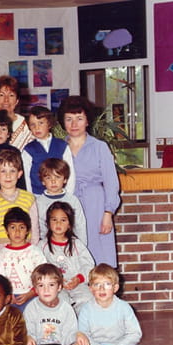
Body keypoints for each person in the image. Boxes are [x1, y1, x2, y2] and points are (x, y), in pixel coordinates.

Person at [58, 96, 120, 266]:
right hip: (68, 205)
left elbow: (111, 183)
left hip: (95, 205)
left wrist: (108, 213)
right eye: (69, 119)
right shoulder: (58, 147)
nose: (74, 124)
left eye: (79, 118)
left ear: (87, 121)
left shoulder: (99, 147)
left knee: (99, 255)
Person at [78, 264, 152, 345]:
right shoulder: (85, 309)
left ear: (115, 288)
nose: (102, 289)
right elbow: (84, 335)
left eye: (107, 284)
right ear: (91, 288)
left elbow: (135, 333)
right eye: (97, 284)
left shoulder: (124, 307)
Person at [23, 264, 90, 345]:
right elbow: (28, 331)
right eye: (41, 285)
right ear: (36, 289)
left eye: (51, 285)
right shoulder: (31, 308)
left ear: (59, 287)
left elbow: (70, 335)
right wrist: (28, 337)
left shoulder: (66, 308)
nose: (46, 290)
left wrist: (78, 335)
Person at [42, 202, 95, 313]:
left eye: (63, 220)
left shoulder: (77, 244)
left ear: (69, 224)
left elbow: (89, 265)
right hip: (54, 286)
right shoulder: (42, 246)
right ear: (48, 223)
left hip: (77, 284)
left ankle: (83, 323)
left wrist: (79, 279)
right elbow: (39, 268)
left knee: (88, 298)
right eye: (54, 220)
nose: (58, 223)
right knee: (60, 301)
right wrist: (55, 280)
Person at [0, 150, 39, 246]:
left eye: (12, 171)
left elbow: (35, 228)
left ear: (19, 174)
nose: (8, 175)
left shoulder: (29, 198)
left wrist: (33, 248)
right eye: (3, 171)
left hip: (25, 248)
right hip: (0, 249)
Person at [0, 207, 46, 309]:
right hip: (9, 298)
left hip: (32, 295)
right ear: (6, 230)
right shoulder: (2, 254)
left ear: (27, 230)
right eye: (12, 227)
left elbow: (43, 275)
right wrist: (7, 294)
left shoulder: (35, 252)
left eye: (21, 227)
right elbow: (0, 278)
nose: (17, 232)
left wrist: (32, 293)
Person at [22, 107, 75, 195]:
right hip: (38, 195)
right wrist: (30, 197)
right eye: (33, 125)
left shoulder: (62, 145)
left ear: (49, 124)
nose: (37, 128)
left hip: (60, 194)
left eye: (41, 123)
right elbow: (26, 177)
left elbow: (70, 172)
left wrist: (68, 194)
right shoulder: (29, 149)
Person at [35, 158, 87, 243]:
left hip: (70, 243)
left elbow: (80, 226)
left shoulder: (72, 200)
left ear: (65, 179)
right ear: (43, 181)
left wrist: (81, 246)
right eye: (48, 178)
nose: (53, 181)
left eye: (57, 177)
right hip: (48, 244)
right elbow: (39, 228)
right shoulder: (38, 202)